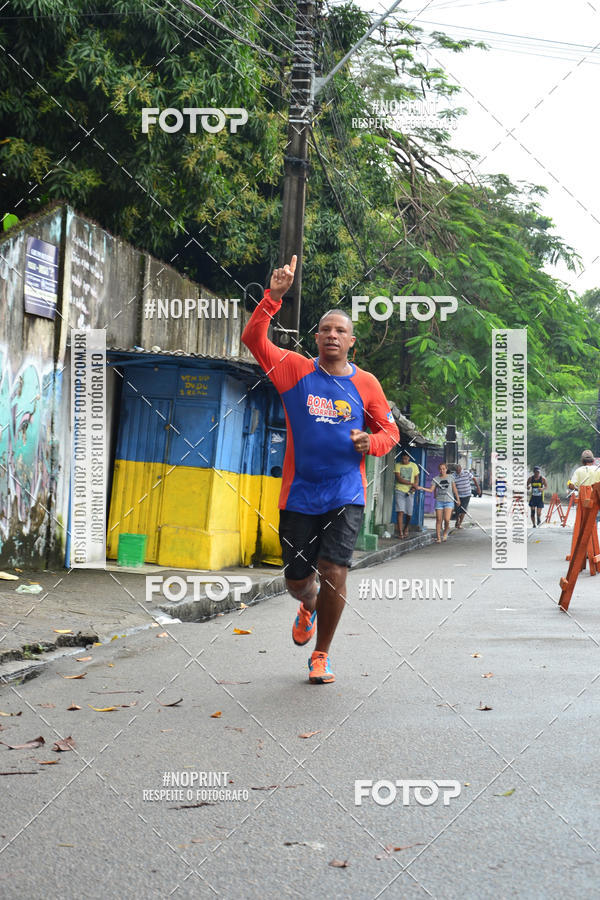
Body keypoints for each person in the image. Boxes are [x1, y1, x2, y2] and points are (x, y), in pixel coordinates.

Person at [241, 255, 399, 685]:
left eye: (341, 330)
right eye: (326, 329)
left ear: (352, 342)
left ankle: (321, 654)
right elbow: (254, 339)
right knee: (298, 580)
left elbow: (391, 432)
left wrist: (373, 442)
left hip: (346, 491)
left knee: (335, 572)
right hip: (299, 493)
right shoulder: (294, 369)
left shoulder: (366, 383)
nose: (333, 334)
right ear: (316, 338)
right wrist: (273, 297)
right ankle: (306, 605)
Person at [417, 461, 460, 542]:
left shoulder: (451, 477)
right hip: (439, 501)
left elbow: (454, 489)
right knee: (439, 519)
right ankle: (438, 538)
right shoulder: (436, 479)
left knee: (447, 519)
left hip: (449, 501)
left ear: (446, 469)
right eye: (440, 469)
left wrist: (458, 499)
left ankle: (445, 533)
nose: (442, 470)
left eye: (443, 469)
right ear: (438, 470)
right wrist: (422, 488)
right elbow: (431, 490)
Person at [394, 449, 419, 538]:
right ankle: (400, 532)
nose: (404, 460)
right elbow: (398, 478)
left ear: (409, 458)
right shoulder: (397, 465)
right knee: (400, 511)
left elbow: (416, 478)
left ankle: (406, 527)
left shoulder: (414, 466)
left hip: (410, 492)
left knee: (409, 514)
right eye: (403, 459)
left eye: (406, 459)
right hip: (399, 490)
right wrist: (411, 483)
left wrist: (414, 487)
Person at [453, 463, 480, 529]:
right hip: (458, 495)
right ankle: (457, 520)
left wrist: (478, 488)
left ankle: (459, 523)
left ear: (461, 469)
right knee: (457, 510)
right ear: (455, 470)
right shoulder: (453, 475)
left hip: (467, 495)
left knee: (463, 510)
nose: (458, 471)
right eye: (456, 470)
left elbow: (474, 479)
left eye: (459, 470)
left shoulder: (466, 473)